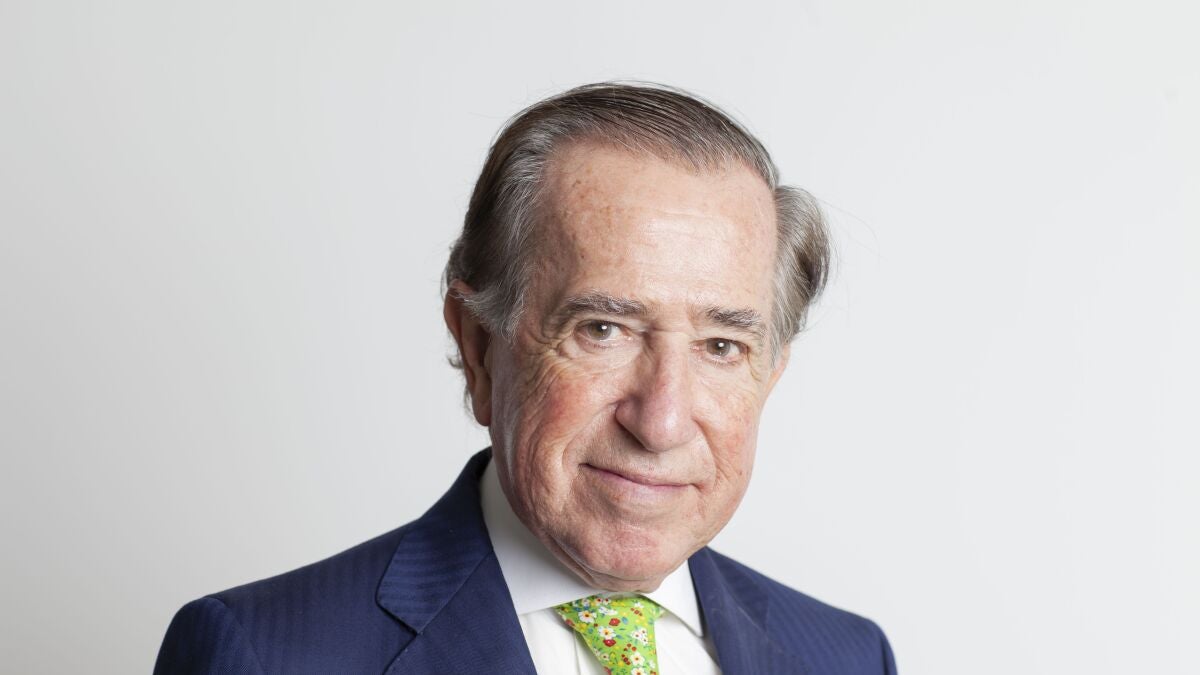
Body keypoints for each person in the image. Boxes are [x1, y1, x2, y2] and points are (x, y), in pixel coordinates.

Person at [154, 82, 897, 675]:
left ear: (770, 375)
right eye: (602, 330)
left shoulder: (849, 657)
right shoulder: (264, 654)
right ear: (479, 347)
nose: (662, 422)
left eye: (722, 345)